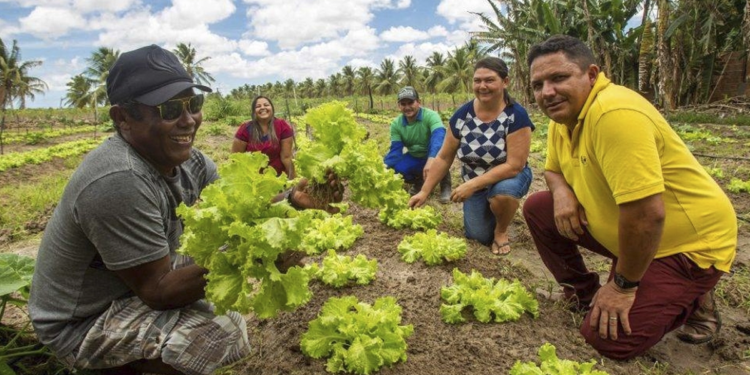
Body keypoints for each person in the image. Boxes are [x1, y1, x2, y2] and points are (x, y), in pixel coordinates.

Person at [28, 45, 339, 375]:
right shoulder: (118, 178)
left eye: (194, 103)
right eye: (170, 109)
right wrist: (255, 254)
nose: (189, 119)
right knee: (218, 333)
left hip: (136, 282)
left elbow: (245, 209)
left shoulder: (192, 162)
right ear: (122, 118)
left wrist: (292, 200)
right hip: (83, 320)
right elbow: (159, 291)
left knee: (221, 247)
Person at [522, 35, 737, 360]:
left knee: (606, 341)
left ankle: (695, 295)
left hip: (687, 245)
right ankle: (582, 294)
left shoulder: (613, 114)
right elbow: (552, 170)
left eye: (559, 78)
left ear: (592, 75)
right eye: (538, 85)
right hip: (634, 234)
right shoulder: (563, 117)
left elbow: (647, 216)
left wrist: (622, 286)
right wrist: (562, 191)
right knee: (540, 208)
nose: (547, 92)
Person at [408, 58, 534, 255]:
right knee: (478, 236)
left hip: (508, 177)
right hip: (475, 183)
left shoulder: (516, 115)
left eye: (489, 80)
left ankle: (501, 229)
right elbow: (443, 158)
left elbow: (514, 166)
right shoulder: (462, 115)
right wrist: (424, 192)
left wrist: (471, 185)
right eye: (477, 80)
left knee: (502, 194)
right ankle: (494, 211)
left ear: (505, 82)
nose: (482, 86)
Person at [384, 86, 452, 202]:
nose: (407, 107)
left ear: (418, 102)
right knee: (397, 168)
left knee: (437, 153)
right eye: (403, 104)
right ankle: (419, 180)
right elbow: (396, 149)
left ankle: (445, 182)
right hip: (415, 155)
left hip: (434, 154)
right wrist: (384, 167)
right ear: (399, 106)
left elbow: (439, 136)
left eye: (411, 103)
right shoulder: (396, 124)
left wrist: (431, 159)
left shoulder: (431, 115)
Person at [231, 95, 295, 178]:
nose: (262, 108)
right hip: (252, 178)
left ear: (272, 108)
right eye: (258, 106)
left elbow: (286, 157)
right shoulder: (245, 129)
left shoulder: (282, 126)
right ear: (254, 111)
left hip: (277, 178)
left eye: (266, 105)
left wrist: (294, 180)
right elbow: (236, 159)